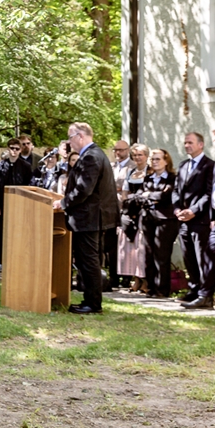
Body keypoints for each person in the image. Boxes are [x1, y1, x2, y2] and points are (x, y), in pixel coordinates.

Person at [52, 122, 118, 315]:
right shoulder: (94, 154)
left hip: (89, 217)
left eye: (70, 137)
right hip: (90, 217)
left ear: (80, 136)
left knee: (89, 261)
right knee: (88, 261)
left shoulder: (91, 157)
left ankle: (93, 303)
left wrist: (63, 203)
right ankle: (90, 300)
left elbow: (83, 189)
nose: (69, 142)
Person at [172, 132, 215, 309]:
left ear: (200, 145)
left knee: (202, 258)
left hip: (200, 219)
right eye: (185, 143)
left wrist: (194, 210)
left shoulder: (209, 165)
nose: (187, 145)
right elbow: (176, 190)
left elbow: (208, 193)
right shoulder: (183, 165)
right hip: (183, 219)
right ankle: (194, 288)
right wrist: (177, 209)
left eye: (190, 142)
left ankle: (205, 294)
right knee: (188, 256)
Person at [139, 149, 179, 298]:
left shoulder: (172, 178)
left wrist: (149, 195)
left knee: (161, 254)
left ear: (166, 161)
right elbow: (139, 197)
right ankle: (151, 288)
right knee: (149, 254)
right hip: (148, 218)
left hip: (166, 220)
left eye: (157, 159)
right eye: (152, 159)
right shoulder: (148, 178)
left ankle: (162, 289)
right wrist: (151, 197)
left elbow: (166, 197)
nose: (154, 162)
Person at [0, 138, 33, 272]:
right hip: (2, 204)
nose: (14, 151)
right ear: (8, 149)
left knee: (18, 232)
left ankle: (17, 261)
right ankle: (0, 261)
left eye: (16, 149)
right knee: (0, 232)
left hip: (19, 204)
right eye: (11, 148)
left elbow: (29, 187)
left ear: (20, 150)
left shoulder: (26, 167)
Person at [118, 143, 150, 292]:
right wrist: (128, 204)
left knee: (142, 248)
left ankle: (146, 281)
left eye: (140, 155)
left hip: (144, 214)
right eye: (135, 155)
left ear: (146, 156)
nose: (137, 158)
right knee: (132, 249)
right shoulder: (131, 172)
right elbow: (125, 193)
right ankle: (136, 279)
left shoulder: (150, 172)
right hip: (131, 213)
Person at [108, 139, 135, 289]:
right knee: (112, 246)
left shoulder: (133, 166)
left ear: (128, 150)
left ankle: (127, 277)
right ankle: (114, 277)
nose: (118, 153)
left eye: (121, 150)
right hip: (111, 210)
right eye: (116, 150)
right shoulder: (110, 166)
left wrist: (118, 189)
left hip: (126, 210)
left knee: (126, 245)